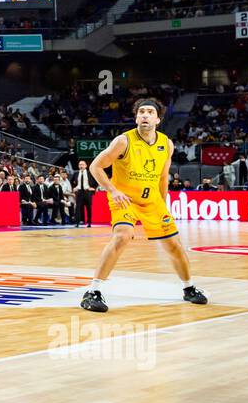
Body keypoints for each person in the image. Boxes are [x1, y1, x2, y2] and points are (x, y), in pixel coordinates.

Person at [79, 98, 208, 313]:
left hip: (152, 201)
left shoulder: (166, 143)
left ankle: (189, 288)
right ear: (136, 117)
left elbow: (163, 177)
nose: (145, 115)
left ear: (158, 119)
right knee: (122, 236)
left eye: (149, 112)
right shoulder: (124, 141)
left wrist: (163, 204)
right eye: (141, 112)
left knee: (174, 246)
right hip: (125, 199)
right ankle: (93, 291)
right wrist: (113, 190)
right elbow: (96, 167)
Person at [72, 159, 96, 227]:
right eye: (80, 164)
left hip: (87, 192)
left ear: (86, 165)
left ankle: (89, 223)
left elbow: (96, 180)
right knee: (78, 208)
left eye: (82, 164)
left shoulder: (90, 173)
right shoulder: (76, 173)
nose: (81, 166)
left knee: (88, 208)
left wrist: (93, 188)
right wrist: (74, 187)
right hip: (79, 192)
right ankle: (77, 223)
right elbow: (72, 181)